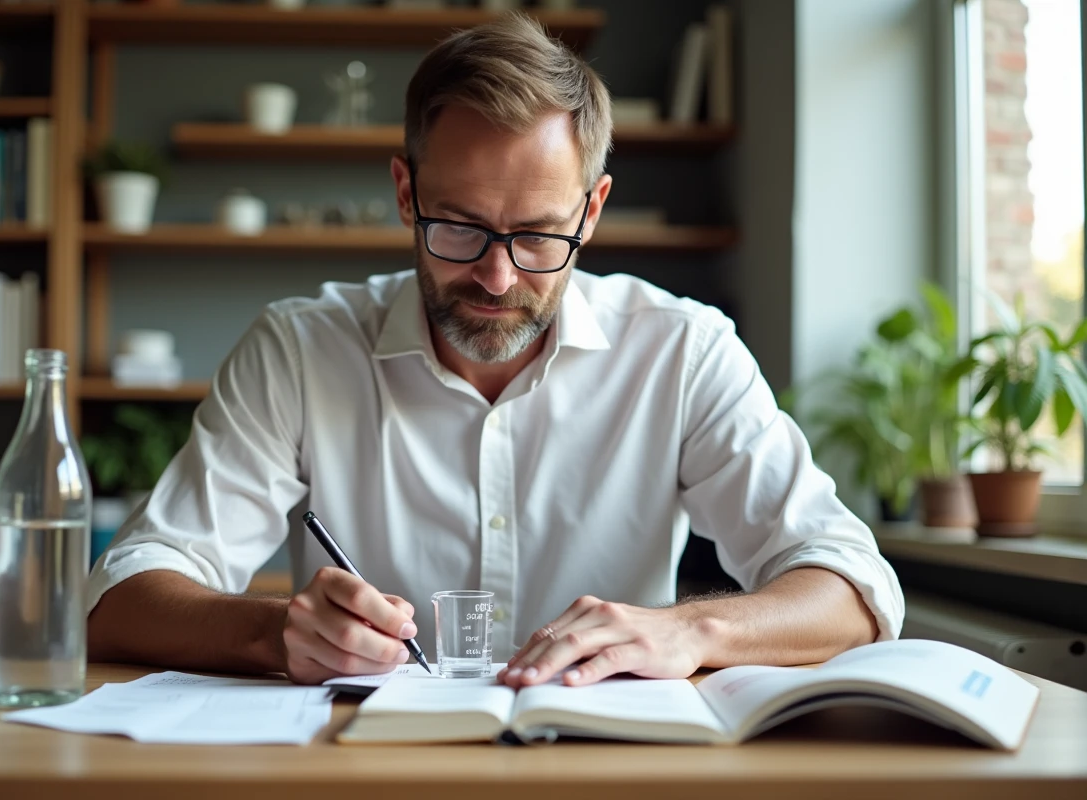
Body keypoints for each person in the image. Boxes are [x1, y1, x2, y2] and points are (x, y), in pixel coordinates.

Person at [86, 13, 903, 689]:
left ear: (592, 211)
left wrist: (691, 630)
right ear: (406, 191)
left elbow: (854, 590)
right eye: (460, 226)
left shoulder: (682, 350)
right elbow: (117, 597)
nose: (497, 275)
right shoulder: (300, 351)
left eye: (540, 233)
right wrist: (273, 631)